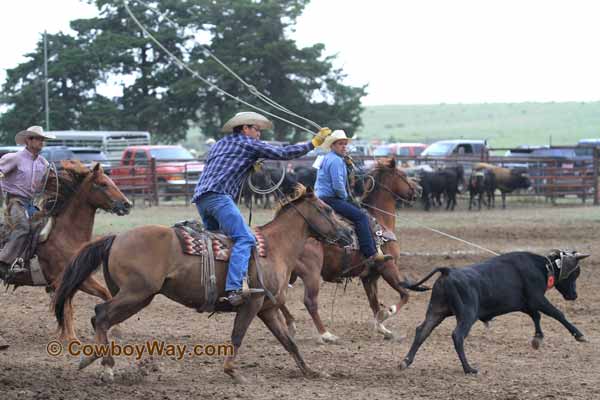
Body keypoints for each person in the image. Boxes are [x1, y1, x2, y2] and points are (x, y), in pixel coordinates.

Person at [192, 111, 332, 306]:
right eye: (256, 129)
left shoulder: (220, 144)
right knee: (244, 238)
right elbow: (284, 153)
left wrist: (249, 164)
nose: (259, 133)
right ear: (245, 128)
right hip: (219, 197)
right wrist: (314, 143)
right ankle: (234, 288)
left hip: (202, 198)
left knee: (219, 241)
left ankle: (210, 281)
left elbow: (225, 165)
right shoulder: (247, 143)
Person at [314, 130, 392, 267]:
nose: (344, 146)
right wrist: (347, 198)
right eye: (340, 144)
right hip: (331, 198)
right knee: (361, 216)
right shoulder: (337, 161)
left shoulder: (327, 158)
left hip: (321, 196)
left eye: (345, 144)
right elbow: (338, 185)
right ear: (332, 145)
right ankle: (370, 252)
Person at [0, 126, 54, 283]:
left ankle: (28, 263)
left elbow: (47, 183)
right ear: (28, 140)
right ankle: (4, 261)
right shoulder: (14, 158)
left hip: (30, 203)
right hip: (14, 201)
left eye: (42, 139)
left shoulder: (43, 163)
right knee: (22, 227)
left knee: (46, 227)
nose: (41, 142)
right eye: (38, 139)